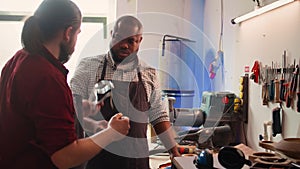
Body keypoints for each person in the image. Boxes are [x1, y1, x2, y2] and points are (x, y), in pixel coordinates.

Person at [0, 1, 130, 169]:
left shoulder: (18, 59)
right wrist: (111, 133)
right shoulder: (47, 77)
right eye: (77, 33)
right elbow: (65, 156)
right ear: (68, 33)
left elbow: (34, 117)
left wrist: (75, 109)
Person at [70, 15, 181, 169]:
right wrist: (94, 125)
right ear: (111, 35)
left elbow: (158, 116)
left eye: (131, 41)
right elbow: (71, 108)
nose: (124, 45)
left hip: (136, 163)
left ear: (140, 41)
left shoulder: (148, 73)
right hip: (97, 162)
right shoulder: (88, 67)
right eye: (119, 38)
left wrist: (174, 153)